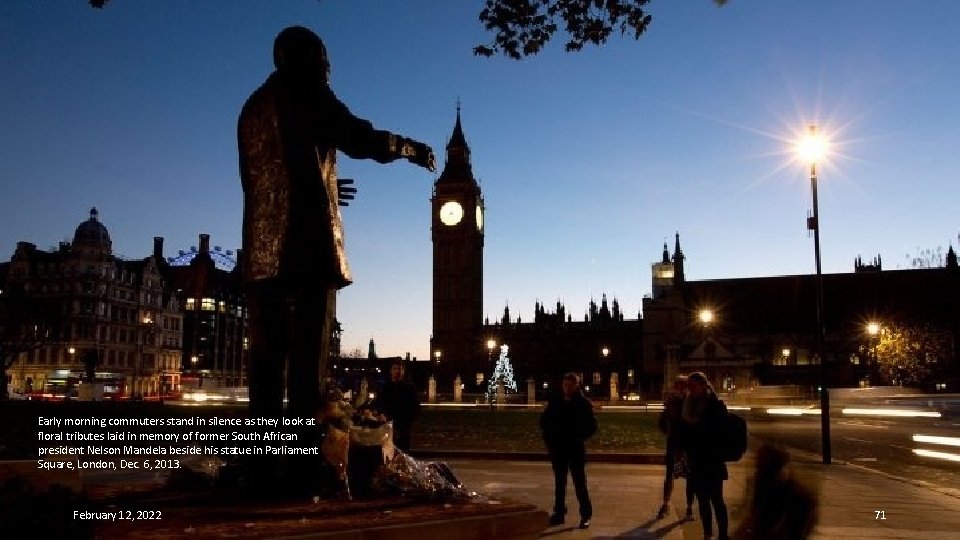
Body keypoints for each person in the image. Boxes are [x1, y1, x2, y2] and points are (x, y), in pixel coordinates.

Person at [238, 26, 436, 420]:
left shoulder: (253, 108)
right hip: (306, 250)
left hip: (262, 258)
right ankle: (305, 461)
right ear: (305, 60)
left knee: (266, 362)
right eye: (325, 63)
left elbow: (268, 175)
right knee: (308, 364)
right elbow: (358, 137)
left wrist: (326, 184)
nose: (329, 72)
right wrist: (410, 148)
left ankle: (264, 462)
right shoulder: (307, 90)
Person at [540, 373, 597, 529]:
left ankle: (585, 515)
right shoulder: (556, 401)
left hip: (575, 449)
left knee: (579, 483)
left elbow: (592, 427)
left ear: (576, 386)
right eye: (565, 384)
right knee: (559, 483)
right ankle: (559, 513)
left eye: (570, 385)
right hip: (558, 449)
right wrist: (550, 441)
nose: (567, 388)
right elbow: (544, 422)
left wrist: (578, 437)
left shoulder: (583, 404)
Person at [732, 444, 818, 540]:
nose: (755, 471)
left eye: (758, 465)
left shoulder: (798, 497)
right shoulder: (764, 484)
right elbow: (754, 517)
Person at [682, 372, 729, 540]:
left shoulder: (715, 405)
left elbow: (720, 432)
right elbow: (686, 431)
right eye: (689, 386)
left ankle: (723, 534)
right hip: (696, 460)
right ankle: (707, 533)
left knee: (717, 499)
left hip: (713, 460)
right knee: (702, 500)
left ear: (703, 386)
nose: (690, 389)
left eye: (693, 386)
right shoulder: (688, 405)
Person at [657, 375, 695, 520]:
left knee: (690, 476)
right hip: (674, 443)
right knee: (670, 474)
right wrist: (669, 431)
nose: (680, 389)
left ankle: (689, 507)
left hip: (687, 444)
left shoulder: (691, 402)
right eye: (678, 386)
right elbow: (662, 422)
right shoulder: (672, 402)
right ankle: (666, 504)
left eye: (682, 386)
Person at [372, 361, 421, 452]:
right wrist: (380, 414)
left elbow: (415, 407)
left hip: (403, 427)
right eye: (395, 368)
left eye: (400, 369)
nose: (398, 371)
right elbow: (378, 404)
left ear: (404, 371)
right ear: (391, 371)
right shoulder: (384, 387)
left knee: (402, 453)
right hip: (386, 425)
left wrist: (408, 422)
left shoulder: (410, 388)